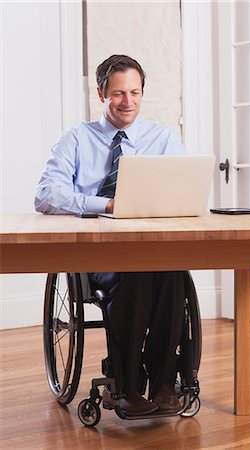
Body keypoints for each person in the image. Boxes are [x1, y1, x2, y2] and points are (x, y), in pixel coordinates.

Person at [35, 54, 190, 416]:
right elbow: (45, 195)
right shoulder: (76, 138)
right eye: (119, 93)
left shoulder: (162, 138)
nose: (128, 102)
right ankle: (126, 381)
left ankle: (165, 380)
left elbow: (184, 191)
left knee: (173, 274)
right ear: (101, 92)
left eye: (135, 93)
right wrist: (105, 205)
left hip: (152, 245)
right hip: (99, 251)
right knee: (134, 273)